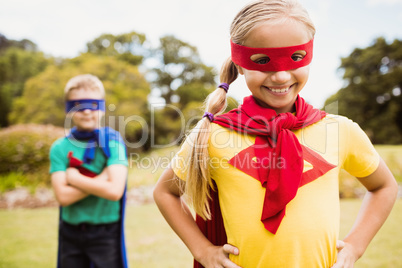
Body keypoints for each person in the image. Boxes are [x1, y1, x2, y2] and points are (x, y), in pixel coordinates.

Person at [153, 0, 398, 267]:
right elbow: (165, 193)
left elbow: (384, 186)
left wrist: (355, 246)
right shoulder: (213, 134)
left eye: (295, 58)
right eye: (263, 61)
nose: (280, 76)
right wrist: (202, 250)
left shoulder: (340, 130)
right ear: (241, 63)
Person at [49, 74, 129, 268]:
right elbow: (63, 197)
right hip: (71, 232)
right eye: (78, 105)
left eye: (92, 104)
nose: (86, 111)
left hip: (106, 233)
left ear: (101, 107)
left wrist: (75, 179)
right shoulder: (60, 147)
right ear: (68, 109)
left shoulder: (113, 143)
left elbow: (114, 192)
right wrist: (102, 179)